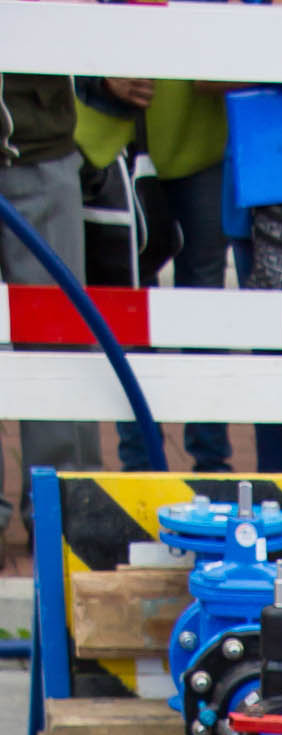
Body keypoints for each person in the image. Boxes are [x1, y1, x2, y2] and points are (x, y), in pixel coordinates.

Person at [73, 66, 233, 471]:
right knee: (128, 309)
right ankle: (143, 464)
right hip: (111, 142)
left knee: (204, 306)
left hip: (198, 140)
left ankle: (210, 461)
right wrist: (99, 80)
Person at [0, 74, 103, 534]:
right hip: (39, 138)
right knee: (58, 332)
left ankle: (64, 510)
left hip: (40, 142)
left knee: (57, 333)